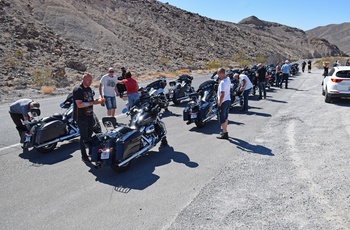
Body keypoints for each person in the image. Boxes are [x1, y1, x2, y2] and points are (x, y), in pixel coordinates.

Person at [73, 72, 103, 163]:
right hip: (81, 117)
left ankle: (91, 151)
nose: (90, 81)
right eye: (88, 80)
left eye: (91, 80)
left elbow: (90, 101)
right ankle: (84, 156)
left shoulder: (89, 89)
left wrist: (97, 101)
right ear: (83, 79)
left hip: (89, 115)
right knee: (83, 137)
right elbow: (79, 104)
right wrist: (94, 103)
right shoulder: (78, 89)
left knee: (90, 134)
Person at [216, 68, 231, 140]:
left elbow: (222, 94)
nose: (218, 75)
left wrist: (219, 103)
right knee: (226, 117)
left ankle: (225, 133)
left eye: (218, 73)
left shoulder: (222, 83)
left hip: (223, 101)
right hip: (228, 100)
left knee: (222, 118)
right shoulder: (228, 79)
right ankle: (225, 131)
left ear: (221, 73)